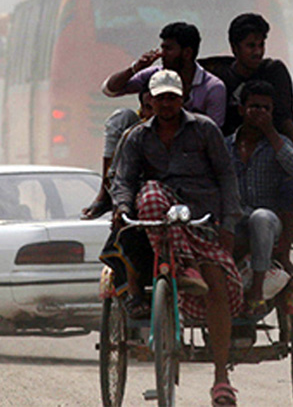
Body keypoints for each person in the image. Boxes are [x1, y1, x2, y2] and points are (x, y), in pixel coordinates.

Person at [109, 69, 244, 407]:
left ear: (182, 98)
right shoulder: (137, 137)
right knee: (150, 193)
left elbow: (227, 177)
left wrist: (229, 224)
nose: (166, 104)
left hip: (201, 219)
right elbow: (124, 180)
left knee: (217, 283)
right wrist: (122, 207)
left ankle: (221, 379)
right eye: (160, 98)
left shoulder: (205, 130)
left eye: (172, 97)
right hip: (158, 226)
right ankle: (180, 268)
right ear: (150, 101)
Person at [207, 12, 293, 193]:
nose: (258, 52)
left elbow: (287, 121)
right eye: (251, 46)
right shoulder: (220, 78)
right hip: (232, 155)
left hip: (270, 151)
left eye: (261, 45)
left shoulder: (274, 72)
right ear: (234, 48)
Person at [226, 80, 293, 311]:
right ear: (242, 109)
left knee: (260, 218)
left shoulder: (280, 144)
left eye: (265, 108)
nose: (259, 112)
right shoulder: (226, 145)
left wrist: (270, 132)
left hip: (269, 220)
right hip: (235, 217)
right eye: (254, 107)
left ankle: (257, 289)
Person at [101, 21, 226, 127]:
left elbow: (213, 133)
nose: (162, 54)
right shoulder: (154, 75)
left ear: (187, 53)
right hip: (151, 141)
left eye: (168, 49)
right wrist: (135, 69)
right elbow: (110, 90)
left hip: (192, 146)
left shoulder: (213, 88)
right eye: (162, 48)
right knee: (122, 117)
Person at [82, 89, 153, 219]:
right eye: (149, 108)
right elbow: (110, 88)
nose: (154, 114)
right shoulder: (135, 134)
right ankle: (105, 193)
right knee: (122, 117)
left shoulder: (191, 128)